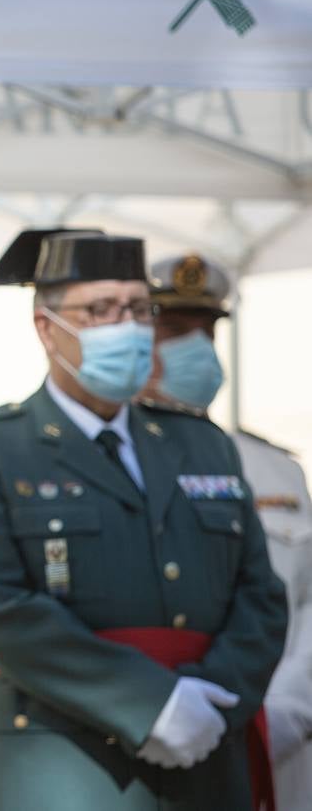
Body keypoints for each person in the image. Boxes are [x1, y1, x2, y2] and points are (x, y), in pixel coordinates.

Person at [0, 229, 287, 811]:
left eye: (138, 309)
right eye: (100, 310)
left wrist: (212, 701)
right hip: (58, 758)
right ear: (47, 328)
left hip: (206, 745)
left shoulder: (201, 444)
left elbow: (262, 596)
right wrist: (151, 703)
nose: (128, 326)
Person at [140, 252, 312, 809]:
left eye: (205, 331)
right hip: (145, 734)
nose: (196, 348)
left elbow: (306, 602)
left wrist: (290, 709)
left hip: (272, 735)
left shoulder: (276, 470)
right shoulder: (99, 464)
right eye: (172, 330)